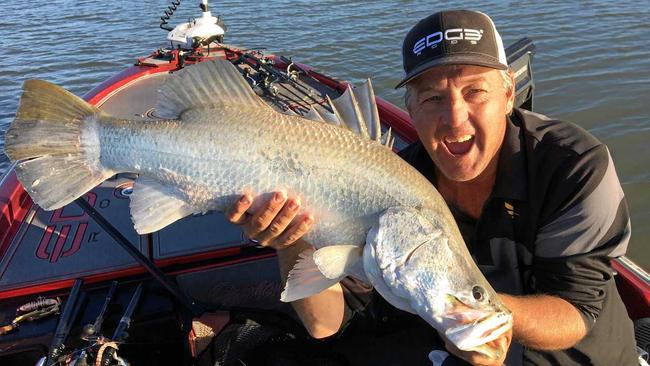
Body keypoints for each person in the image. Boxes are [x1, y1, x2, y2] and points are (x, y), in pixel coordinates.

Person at [226, 9, 638, 366]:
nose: (455, 120)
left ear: (509, 92)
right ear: (409, 108)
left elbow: (577, 311)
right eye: (432, 99)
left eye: (475, 91)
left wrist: (473, 313)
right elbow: (324, 322)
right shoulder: (393, 189)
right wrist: (290, 240)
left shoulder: (573, 165)